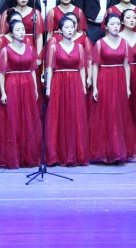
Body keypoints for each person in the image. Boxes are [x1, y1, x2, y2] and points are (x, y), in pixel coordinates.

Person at [0, 19, 41, 169]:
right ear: (11, 33)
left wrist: (35, 88)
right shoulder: (5, 50)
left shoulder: (30, 49)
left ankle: (27, 156)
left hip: (27, 85)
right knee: (13, 119)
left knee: (27, 119)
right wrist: (3, 92)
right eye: (18, 30)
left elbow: (33, 70)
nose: (21, 32)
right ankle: (12, 156)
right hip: (12, 85)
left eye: (23, 29)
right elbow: (1, 72)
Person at [45, 14, 90, 167]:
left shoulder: (79, 47)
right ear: (60, 30)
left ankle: (75, 154)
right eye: (66, 27)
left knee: (74, 116)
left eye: (72, 27)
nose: (70, 30)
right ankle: (56, 154)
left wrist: (83, 86)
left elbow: (82, 68)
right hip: (59, 82)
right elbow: (49, 68)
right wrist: (48, 87)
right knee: (58, 116)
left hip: (75, 82)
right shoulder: (54, 47)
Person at [90, 14, 136, 163]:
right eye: (112, 24)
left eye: (117, 24)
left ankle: (118, 150)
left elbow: (126, 66)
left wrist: (127, 86)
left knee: (119, 113)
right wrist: (95, 87)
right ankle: (105, 151)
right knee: (106, 113)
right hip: (105, 79)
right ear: (106, 26)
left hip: (119, 79)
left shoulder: (124, 43)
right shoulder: (100, 43)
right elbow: (95, 66)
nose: (116, 26)